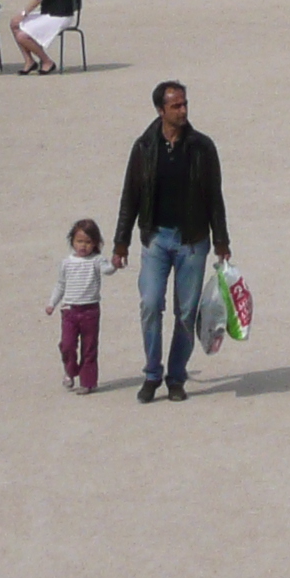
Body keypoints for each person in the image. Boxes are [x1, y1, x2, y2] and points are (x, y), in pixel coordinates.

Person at [110, 80, 230, 402]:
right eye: (176, 106)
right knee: (150, 304)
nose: (183, 110)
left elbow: (214, 196)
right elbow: (130, 197)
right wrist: (121, 242)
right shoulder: (144, 147)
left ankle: (175, 377)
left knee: (186, 312)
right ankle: (152, 373)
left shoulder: (202, 147)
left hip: (192, 241)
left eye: (185, 104)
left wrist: (222, 240)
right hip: (156, 238)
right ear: (160, 110)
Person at [47, 219, 105, 394]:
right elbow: (60, 285)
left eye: (88, 242)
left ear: (95, 243)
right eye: (79, 241)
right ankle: (70, 371)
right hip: (70, 311)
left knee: (89, 347)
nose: (83, 246)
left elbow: (108, 269)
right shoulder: (67, 263)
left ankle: (87, 382)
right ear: (72, 241)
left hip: (90, 311)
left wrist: (116, 264)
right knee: (67, 345)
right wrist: (52, 303)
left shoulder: (97, 260)